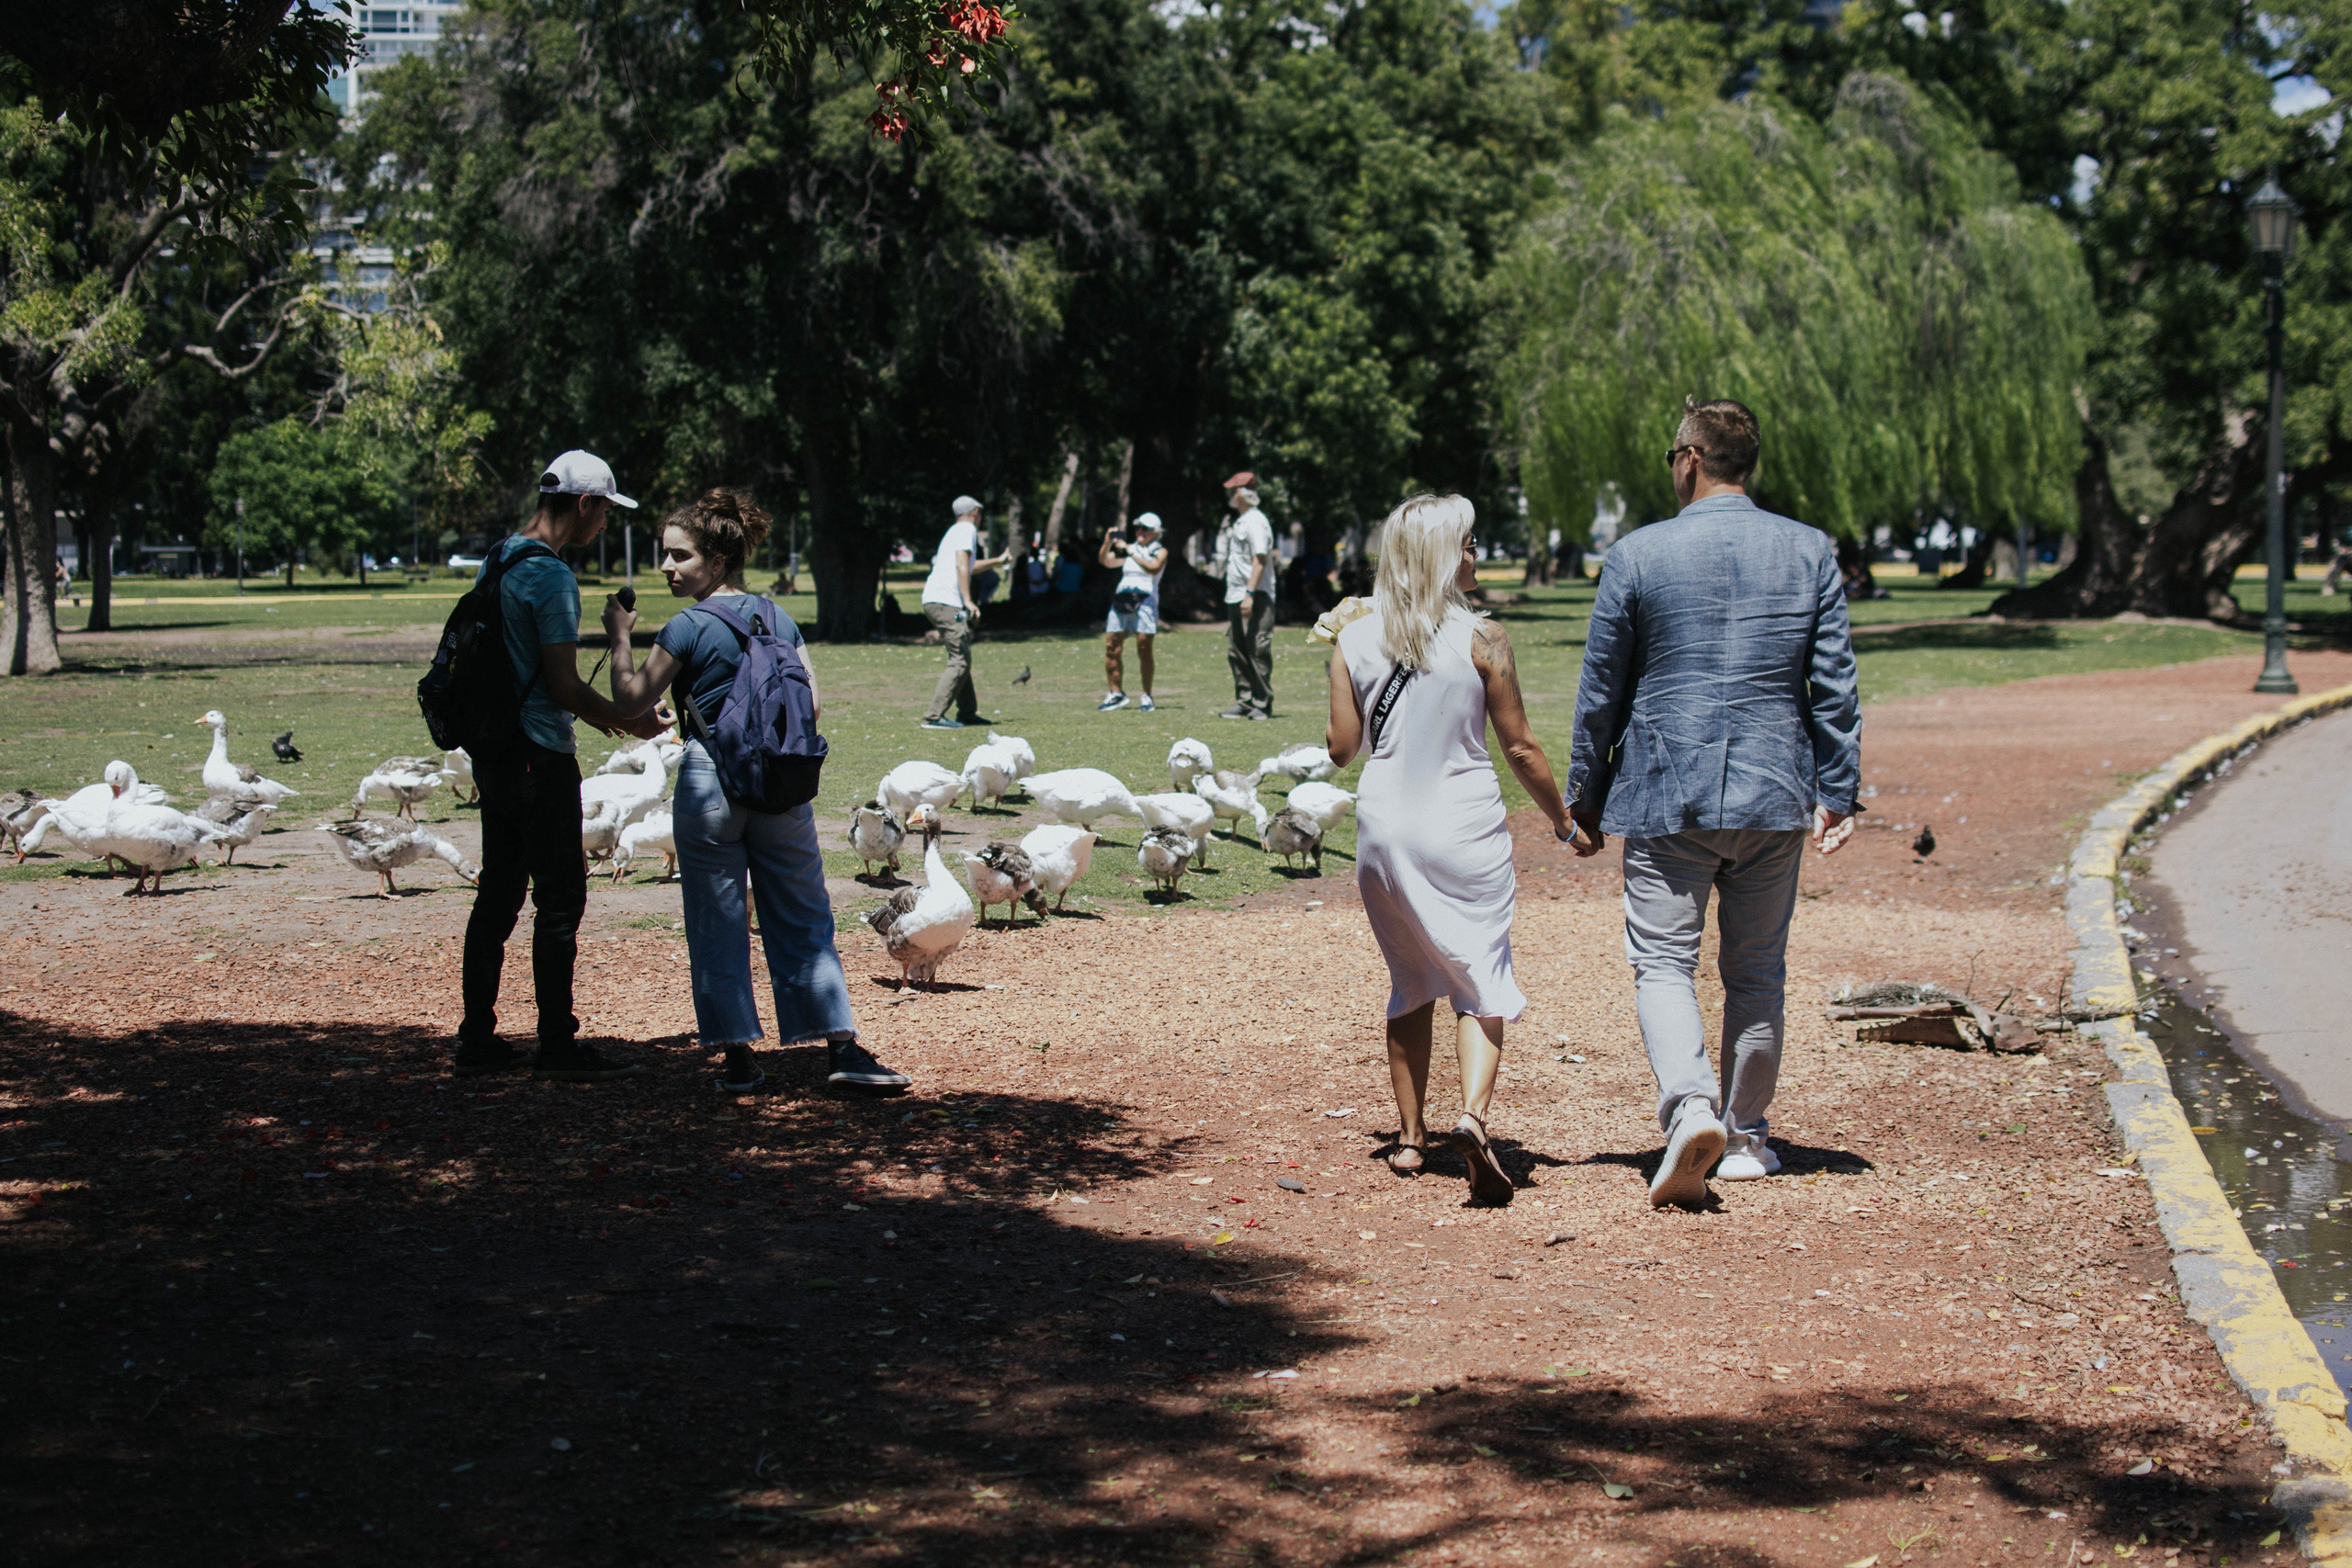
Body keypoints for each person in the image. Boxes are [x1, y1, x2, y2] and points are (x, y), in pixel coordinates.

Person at [1565, 398, 1860, 1209]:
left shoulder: (1637, 555)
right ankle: (1749, 1135)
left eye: (1672, 455)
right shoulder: (1808, 552)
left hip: (1669, 787)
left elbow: (1601, 695)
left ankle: (1691, 1106)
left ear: (1690, 458)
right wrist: (1840, 789)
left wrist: (1583, 799)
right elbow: (1833, 685)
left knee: (1663, 961)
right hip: (1774, 788)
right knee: (1757, 970)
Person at [599, 489, 910, 1093]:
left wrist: (619, 636)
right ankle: (842, 1049)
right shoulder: (778, 616)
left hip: (710, 779)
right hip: (779, 781)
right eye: (666, 556)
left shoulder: (685, 626)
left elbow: (630, 699)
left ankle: (739, 1059)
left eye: (679, 556)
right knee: (803, 917)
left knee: (716, 922)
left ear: (716, 562)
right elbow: (812, 703)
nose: (667, 567)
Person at [1325, 492, 1576, 1205]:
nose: (1475, 554)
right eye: (1467, 543)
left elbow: (1343, 750)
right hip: (1461, 825)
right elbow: (1521, 746)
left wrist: (1340, 671)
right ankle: (1470, 1117)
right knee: (1478, 972)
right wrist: (1563, 821)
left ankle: (1410, 1140)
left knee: (1410, 979)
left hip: (1382, 829)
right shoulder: (1484, 637)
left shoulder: (1352, 639)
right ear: (1439, 555)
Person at [456, 450, 650, 1082]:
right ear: (586, 503)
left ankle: (477, 1036)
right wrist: (629, 722)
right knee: (560, 900)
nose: (604, 529)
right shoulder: (552, 576)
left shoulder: (500, 557)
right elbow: (565, 686)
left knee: (499, 895)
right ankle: (557, 1044)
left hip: (495, 753)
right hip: (541, 755)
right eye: (605, 515)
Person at [919, 495, 1009, 730]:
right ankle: (933, 716)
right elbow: (962, 564)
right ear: (976, 512)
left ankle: (967, 712)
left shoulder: (955, 531)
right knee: (960, 660)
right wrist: (969, 601)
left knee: (962, 654)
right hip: (946, 602)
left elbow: (968, 565)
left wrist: (997, 561)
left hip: (938, 602)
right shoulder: (967, 529)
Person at [1096, 512, 1168, 712]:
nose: (1139, 532)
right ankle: (1116, 693)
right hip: (1122, 597)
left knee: (1144, 648)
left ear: (1154, 532)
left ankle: (1146, 695)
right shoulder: (1129, 549)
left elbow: (1153, 568)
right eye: (1138, 528)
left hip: (1145, 600)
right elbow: (1106, 561)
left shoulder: (1159, 551)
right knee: (1112, 646)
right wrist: (1107, 543)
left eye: (1144, 528)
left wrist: (1130, 551)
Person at [1219, 475, 1276, 720]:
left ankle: (1262, 704)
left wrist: (1250, 594)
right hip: (1235, 595)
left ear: (1241, 493)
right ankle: (1244, 701)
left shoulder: (1255, 520)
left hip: (1255, 594)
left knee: (1257, 648)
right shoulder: (1241, 521)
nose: (1231, 497)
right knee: (1237, 650)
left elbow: (1260, 559)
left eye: (1233, 491)